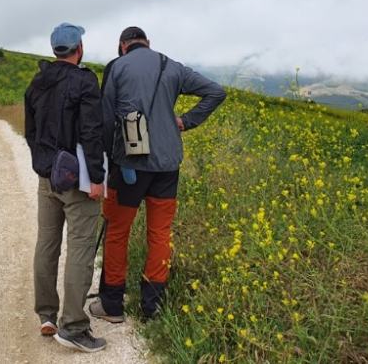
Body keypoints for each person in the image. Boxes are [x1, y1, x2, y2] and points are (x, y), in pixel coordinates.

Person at [90, 26, 226, 322]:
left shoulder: (117, 68)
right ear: (148, 43)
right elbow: (216, 92)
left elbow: (105, 118)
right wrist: (186, 121)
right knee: (160, 234)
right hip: (167, 166)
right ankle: (153, 307)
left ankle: (112, 304)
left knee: (117, 231)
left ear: (122, 46)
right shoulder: (172, 66)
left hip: (129, 166)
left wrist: (105, 161)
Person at [24, 22, 108, 353]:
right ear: (79, 49)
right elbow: (91, 132)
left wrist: (44, 164)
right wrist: (98, 178)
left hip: (47, 177)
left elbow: (30, 132)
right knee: (81, 247)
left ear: (55, 49)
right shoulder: (85, 81)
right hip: (77, 178)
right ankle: (73, 325)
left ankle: (47, 314)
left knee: (47, 243)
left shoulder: (37, 82)